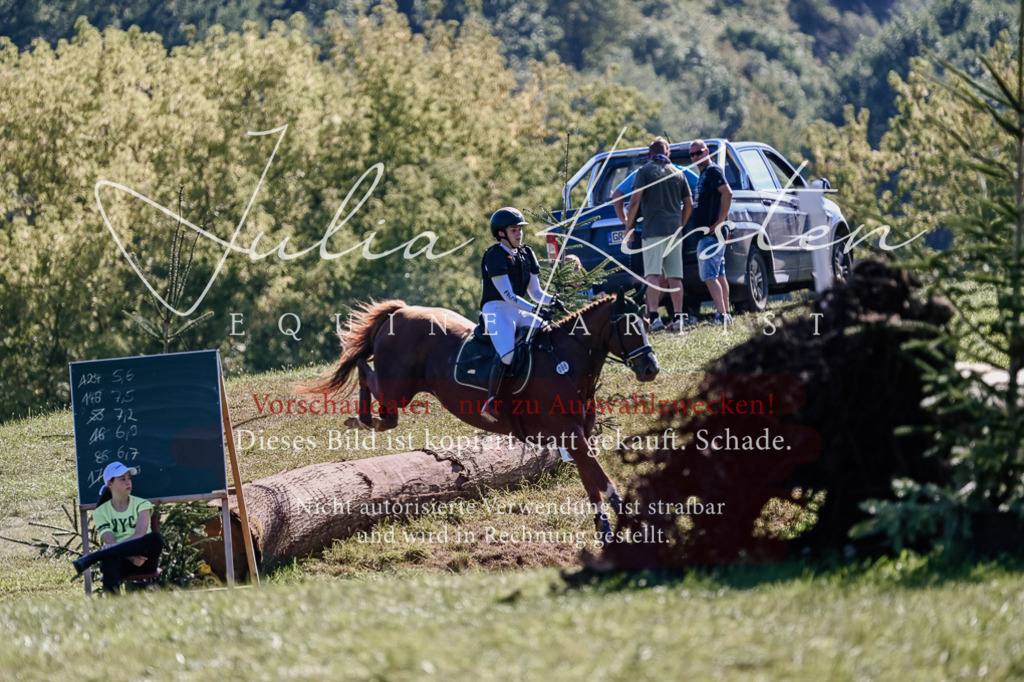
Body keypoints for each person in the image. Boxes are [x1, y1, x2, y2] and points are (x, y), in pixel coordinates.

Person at [479, 207, 555, 422]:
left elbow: (536, 293)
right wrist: (535, 309)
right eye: (514, 230)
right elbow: (508, 295)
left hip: (518, 309)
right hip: (496, 309)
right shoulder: (494, 255)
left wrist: (553, 301)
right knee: (508, 354)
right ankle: (491, 401)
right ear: (501, 233)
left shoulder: (526, 253)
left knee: (548, 333)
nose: (519, 234)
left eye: (520, 229)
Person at [624, 137, 693, 331]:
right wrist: (681, 223)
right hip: (674, 231)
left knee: (652, 274)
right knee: (675, 276)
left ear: (649, 154)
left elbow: (635, 199)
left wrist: (628, 226)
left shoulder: (644, 171)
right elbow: (689, 203)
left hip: (652, 230)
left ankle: (654, 317)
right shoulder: (678, 172)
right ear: (668, 153)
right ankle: (678, 318)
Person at [72, 461, 163, 593]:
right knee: (109, 560)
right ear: (110, 484)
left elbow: (140, 536)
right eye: (122, 479)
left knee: (155, 538)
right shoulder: (101, 512)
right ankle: (112, 604)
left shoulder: (142, 504)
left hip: (144, 559)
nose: (128, 482)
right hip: (122, 561)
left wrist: (112, 551)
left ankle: (95, 557)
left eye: (129, 478)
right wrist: (131, 557)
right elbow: (111, 542)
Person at [690, 139, 734, 325]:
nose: (696, 157)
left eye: (699, 152)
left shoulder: (713, 171)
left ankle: (721, 315)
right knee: (719, 274)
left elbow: (728, 193)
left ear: (707, 151)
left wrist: (720, 221)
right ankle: (726, 313)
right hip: (709, 235)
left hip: (711, 235)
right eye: (692, 154)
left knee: (709, 276)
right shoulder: (703, 174)